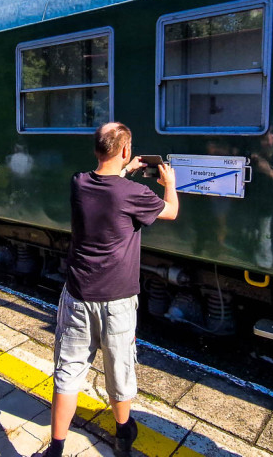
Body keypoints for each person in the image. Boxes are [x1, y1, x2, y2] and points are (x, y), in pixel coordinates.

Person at [38, 122, 179, 457]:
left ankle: (56, 449)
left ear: (96, 150)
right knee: (119, 371)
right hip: (118, 300)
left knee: (68, 372)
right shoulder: (136, 195)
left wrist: (124, 170)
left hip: (78, 294)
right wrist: (169, 184)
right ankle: (122, 437)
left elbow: (107, 185)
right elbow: (171, 211)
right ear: (126, 151)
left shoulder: (79, 182)